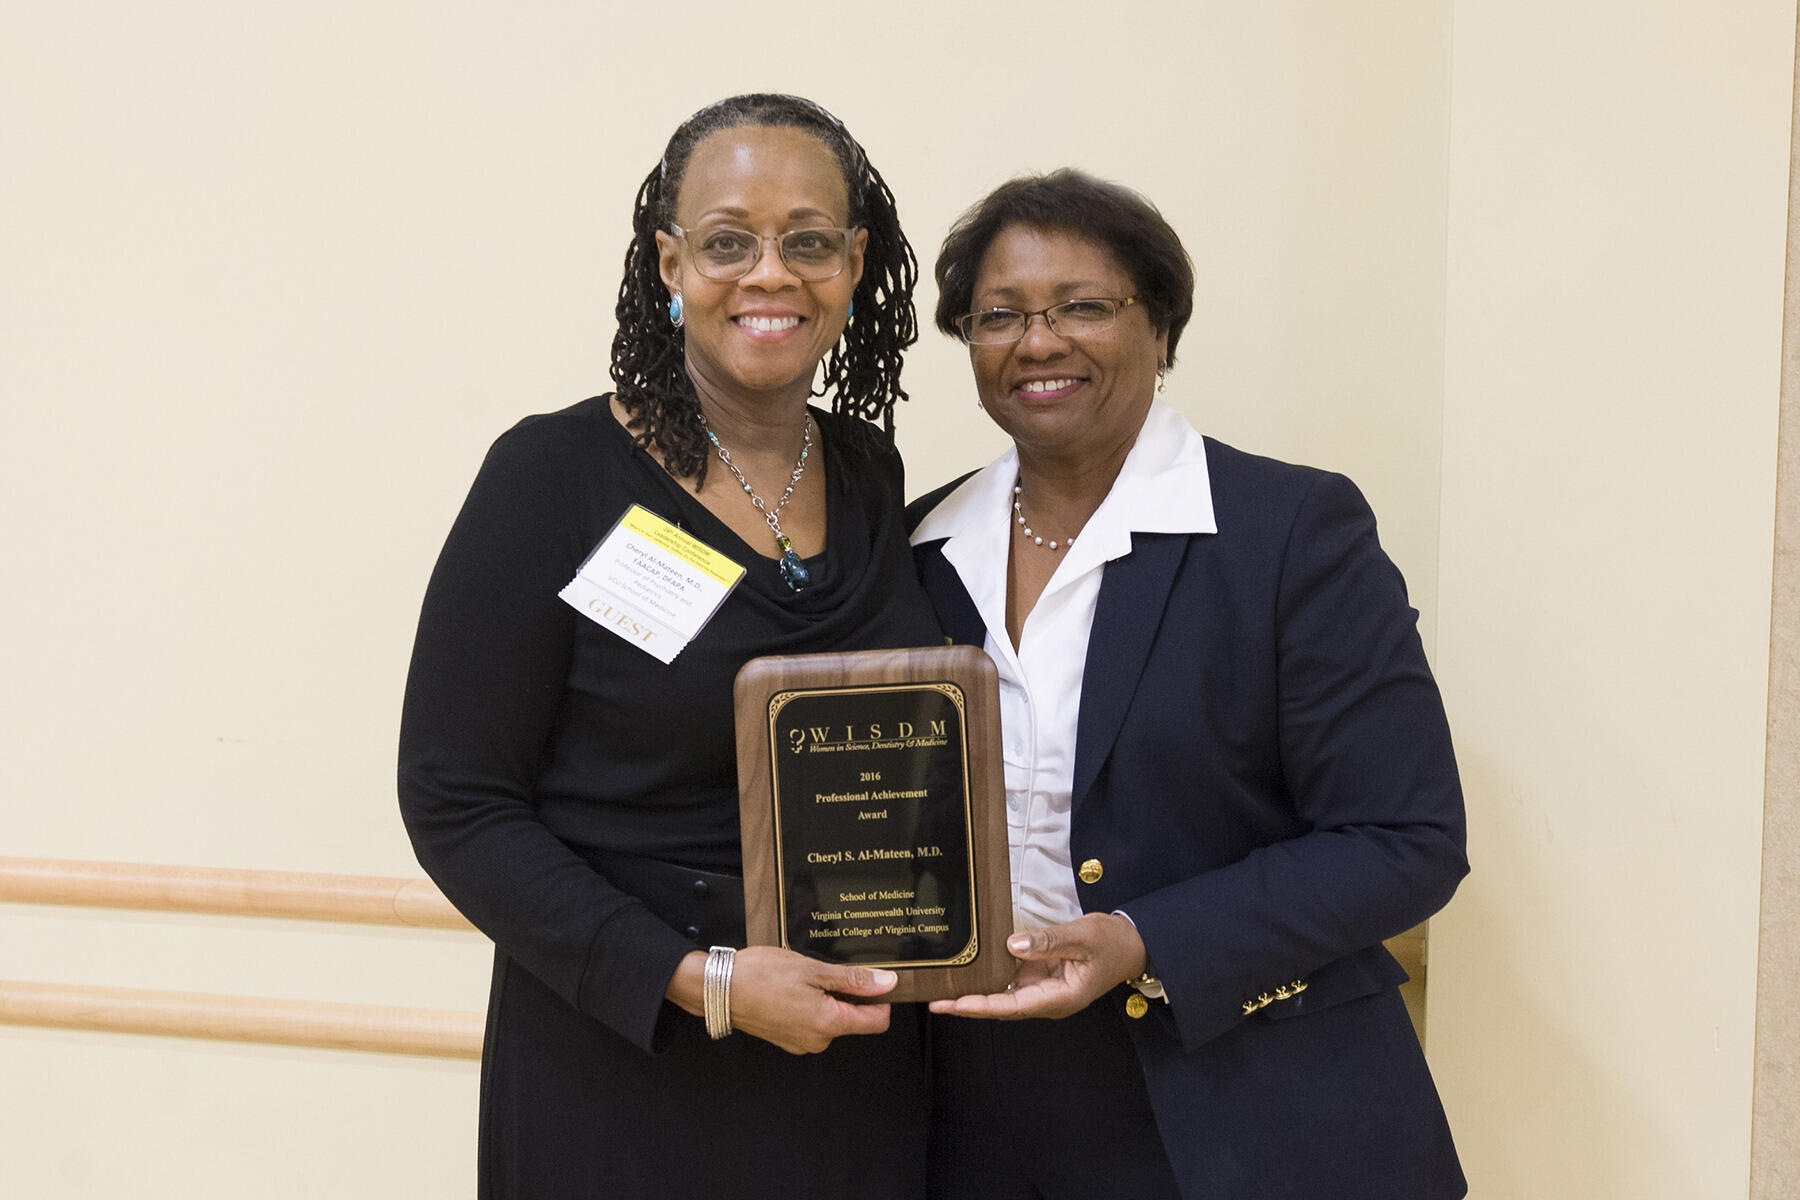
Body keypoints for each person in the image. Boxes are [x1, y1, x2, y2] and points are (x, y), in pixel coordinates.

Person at [398, 94, 942, 1198]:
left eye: (808, 240)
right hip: (627, 1058)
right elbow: (457, 800)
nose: (769, 274)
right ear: (668, 261)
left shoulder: (871, 476)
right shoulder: (552, 478)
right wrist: (704, 980)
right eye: (727, 240)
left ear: (857, 261)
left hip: (856, 1062)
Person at [907, 169, 1469, 1200]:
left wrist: (1142, 940)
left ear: (1161, 330)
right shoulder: (915, 546)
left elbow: (1406, 839)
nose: (1039, 341)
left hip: (1249, 1099)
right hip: (974, 1110)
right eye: (999, 316)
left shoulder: (1290, 531)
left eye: (1084, 306)